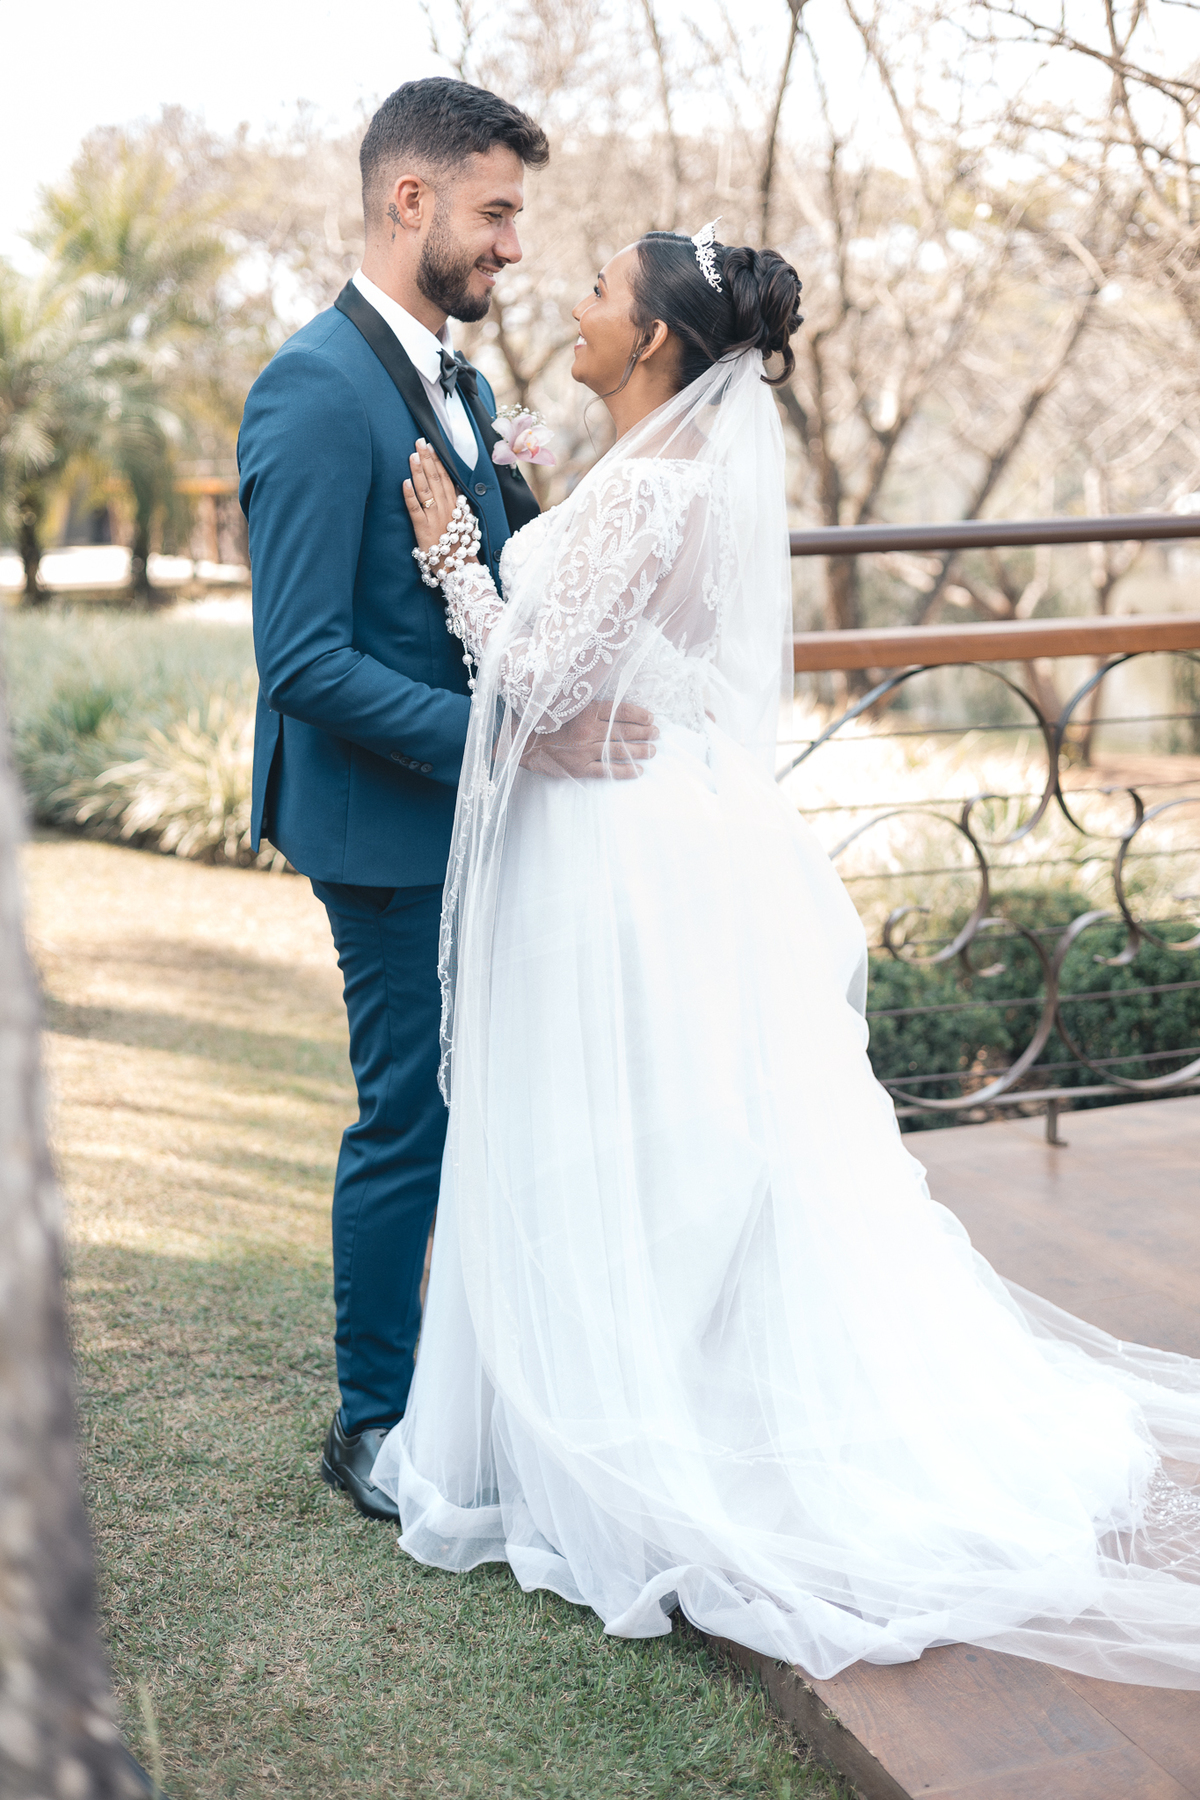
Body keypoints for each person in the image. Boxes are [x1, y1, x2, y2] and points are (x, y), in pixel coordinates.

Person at [371, 223, 1200, 1688]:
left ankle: (638, 1424)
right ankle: (650, 1389)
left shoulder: (655, 488)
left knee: (625, 1135)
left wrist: (453, 555)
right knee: (685, 1134)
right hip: (670, 829)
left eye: (601, 293)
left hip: (622, 848)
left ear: (654, 342)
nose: (575, 303)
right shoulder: (671, 470)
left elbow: (542, 678)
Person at [237, 78, 657, 1522]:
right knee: (409, 1117)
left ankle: (482, 1384)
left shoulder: (463, 388)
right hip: (382, 828)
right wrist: (511, 741)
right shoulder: (312, 387)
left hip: (476, 818)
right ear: (409, 201)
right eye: (496, 213)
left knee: (488, 1108)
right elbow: (303, 662)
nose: (514, 246)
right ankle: (372, 1417)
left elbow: (495, 588)